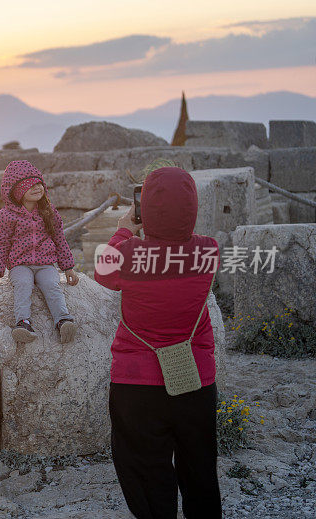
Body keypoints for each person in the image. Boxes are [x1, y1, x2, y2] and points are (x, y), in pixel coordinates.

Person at [94, 166, 222, 518]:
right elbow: (178, 249)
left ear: (144, 208)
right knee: (200, 470)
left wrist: (124, 228)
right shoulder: (207, 252)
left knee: (146, 471)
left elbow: (102, 271)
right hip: (195, 380)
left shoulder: (129, 254)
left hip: (136, 386)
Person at [0, 160, 80, 344]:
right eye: (30, 186)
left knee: (52, 284)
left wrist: (68, 268)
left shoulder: (49, 211)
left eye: (39, 183)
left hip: (46, 264)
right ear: (17, 191)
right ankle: (23, 323)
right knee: (23, 284)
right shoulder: (7, 215)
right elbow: (0, 243)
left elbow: (59, 239)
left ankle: (63, 320)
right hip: (20, 265)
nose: (37, 188)